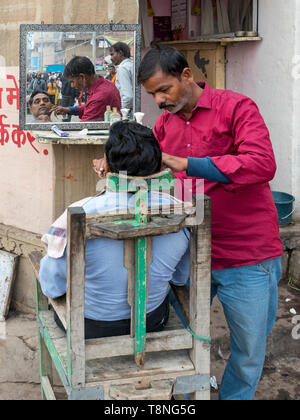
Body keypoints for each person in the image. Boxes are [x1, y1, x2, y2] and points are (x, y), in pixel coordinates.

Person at [136, 45, 283, 400]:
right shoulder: (164, 123)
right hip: (188, 254)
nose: (159, 100)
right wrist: (117, 163)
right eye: (152, 93)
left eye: (164, 89)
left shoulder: (236, 108)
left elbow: (262, 163)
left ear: (187, 76)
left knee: (247, 352)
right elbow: (156, 168)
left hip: (246, 255)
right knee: (179, 340)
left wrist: (190, 164)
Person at [39, 121, 190, 340]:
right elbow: (179, 278)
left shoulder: (78, 213)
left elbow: (52, 285)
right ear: (160, 167)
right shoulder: (180, 212)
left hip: (89, 326)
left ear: (107, 167)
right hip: (152, 321)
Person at [52, 56, 121, 122]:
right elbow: (90, 106)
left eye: (72, 81)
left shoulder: (100, 97)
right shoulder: (105, 83)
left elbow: (85, 125)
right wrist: (69, 110)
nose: (72, 86)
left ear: (82, 77)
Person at [110, 42, 134, 111]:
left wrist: (119, 111)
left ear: (120, 53)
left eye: (112, 54)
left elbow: (128, 97)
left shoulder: (122, 68)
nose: (111, 58)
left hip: (127, 111)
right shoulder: (130, 65)